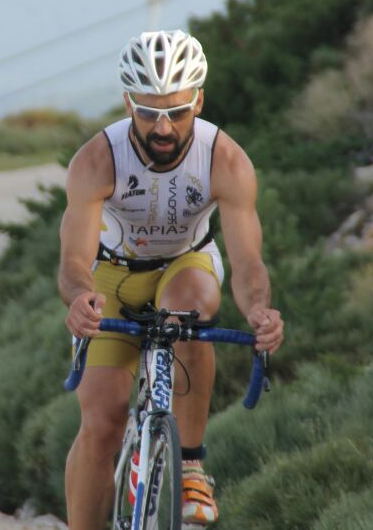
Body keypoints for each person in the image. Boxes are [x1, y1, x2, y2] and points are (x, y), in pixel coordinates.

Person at [57, 30, 284, 529]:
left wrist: (259, 311)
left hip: (187, 263)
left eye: (177, 112)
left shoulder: (225, 159)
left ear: (198, 101)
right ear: (127, 102)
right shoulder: (97, 159)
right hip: (113, 273)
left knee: (190, 309)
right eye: (148, 111)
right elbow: (74, 259)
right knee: (102, 422)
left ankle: (192, 464)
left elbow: (247, 263)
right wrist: (79, 298)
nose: (163, 127)